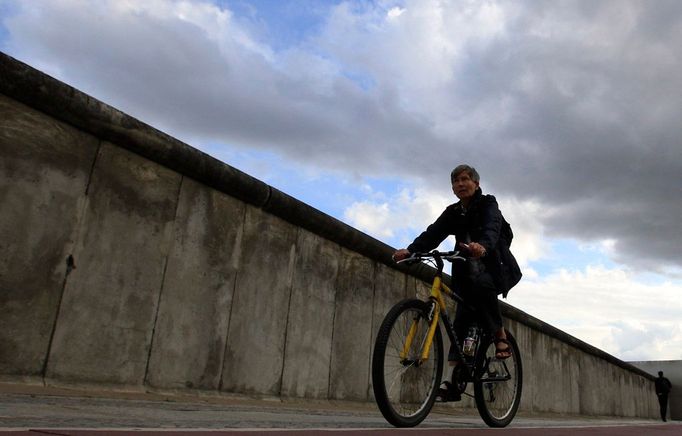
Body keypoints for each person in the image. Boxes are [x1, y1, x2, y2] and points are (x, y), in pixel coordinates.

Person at [393, 164, 521, 401]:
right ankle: (454, 382)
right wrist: (411, 251)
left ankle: (500, 336)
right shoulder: (453, 212)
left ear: (476, 183)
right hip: (465, 270)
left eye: (465, 179)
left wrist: (482, 245)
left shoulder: (488, 204)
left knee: (483, 287)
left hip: (494, 265)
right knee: (460, 320)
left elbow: (493, 227)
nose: (460, 184)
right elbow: (434, 233)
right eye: (455, 182)